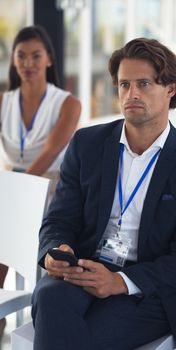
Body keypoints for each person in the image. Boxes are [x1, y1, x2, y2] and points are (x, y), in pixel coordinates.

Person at [32, 38, 176, 350]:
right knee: (50, 296)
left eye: (144, 84)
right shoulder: (87, 144)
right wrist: (55, 250)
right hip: (87, 268)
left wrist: (120, 282)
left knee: (77, 338)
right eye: (124, 84)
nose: (131, 94)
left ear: (171, 88)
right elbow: (59, 219)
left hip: (150, 289)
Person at [0, 25, 81, 337]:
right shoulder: (4, 102)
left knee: (7, 213)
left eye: (36, 55)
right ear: (13, 60)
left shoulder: (68, 103)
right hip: (11, 189)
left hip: (51, 191)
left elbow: (50, 153)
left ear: (49, 59)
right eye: (21, 56)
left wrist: (13, 192)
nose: (28, 63)